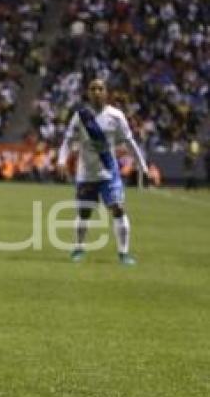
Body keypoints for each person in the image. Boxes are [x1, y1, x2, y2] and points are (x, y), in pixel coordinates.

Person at [57, 79, 149, 265]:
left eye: (100, 88)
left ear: (106, 92)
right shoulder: (80, 116)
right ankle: (78, 249)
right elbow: (67, 140)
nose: (97, 92)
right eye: (93, 89)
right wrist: (61, 160)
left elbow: (130, 142)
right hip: (86, 173)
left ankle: (124, 253)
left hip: (109, 172)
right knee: (84, 213)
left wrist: (142, 166)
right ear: (88, 93)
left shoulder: (116, 116)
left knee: (118, 208)